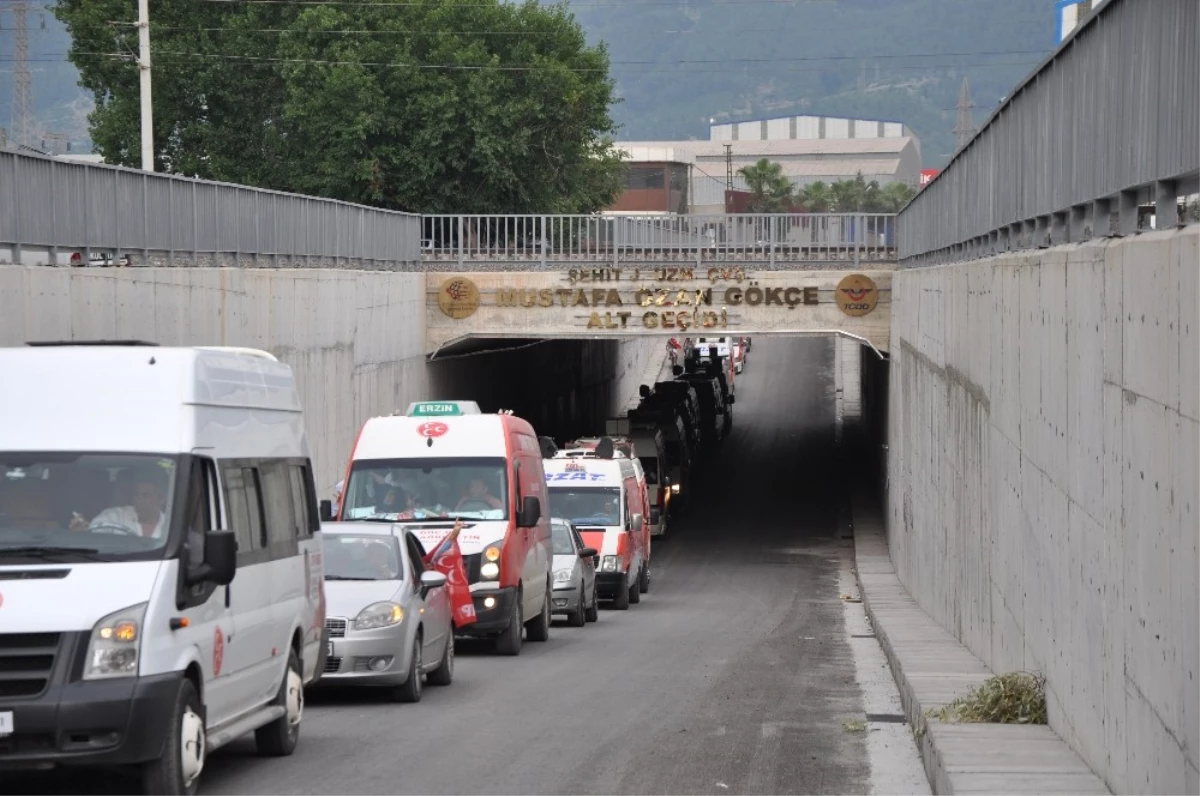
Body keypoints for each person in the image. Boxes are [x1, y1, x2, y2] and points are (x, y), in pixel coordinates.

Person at [71, 468, 169, 538]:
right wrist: (81, 535)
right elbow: (92, 537)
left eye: (146, 495)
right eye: (136, 494)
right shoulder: (114, 516)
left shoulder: (169, 526)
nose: (139, 499)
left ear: (162, 499)